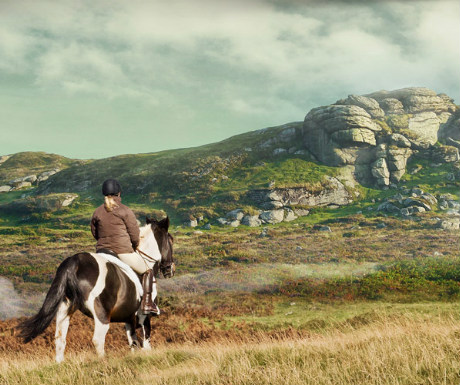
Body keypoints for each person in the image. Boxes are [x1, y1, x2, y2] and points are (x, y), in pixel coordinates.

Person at [90, 178, 159, 315]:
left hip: (102, 251)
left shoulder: (97, 212)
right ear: (119, 194)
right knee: (147, 270)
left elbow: (95, 233)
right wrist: (134, 245)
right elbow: (134, 234)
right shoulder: (125, 211)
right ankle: (147, 303)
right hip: (122, 252)